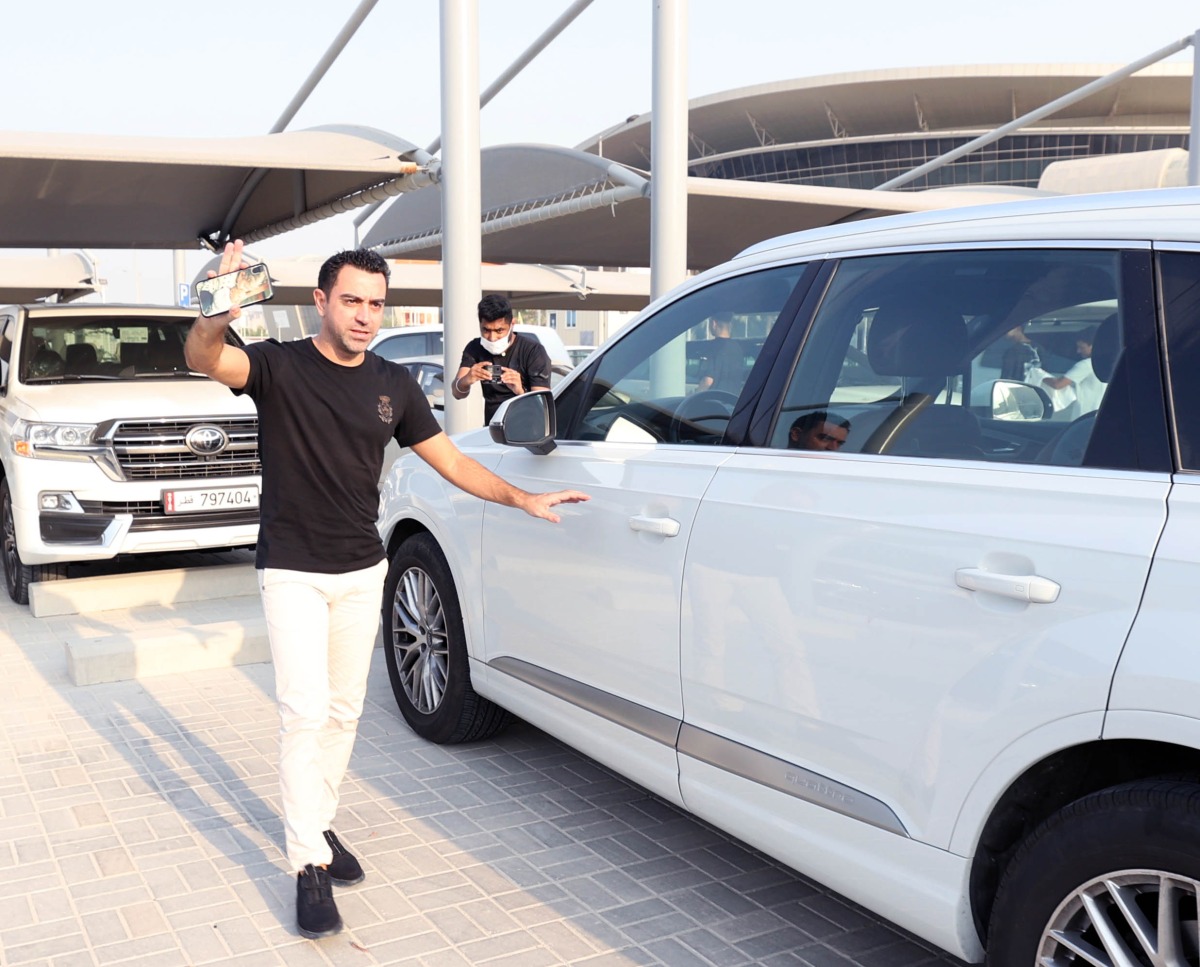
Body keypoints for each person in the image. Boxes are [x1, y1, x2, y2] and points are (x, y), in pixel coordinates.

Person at [184, 242, 589, 942]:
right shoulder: (278, 366)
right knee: (303, 712)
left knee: (343, 712)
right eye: (352, 300)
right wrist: (217, 308)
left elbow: (450, 460)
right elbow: (205, 357)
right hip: (292, 568)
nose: (366, 315)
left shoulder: (395, 384)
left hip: (361, 568)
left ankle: (318, 819)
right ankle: (308, 862)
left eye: (376, 302)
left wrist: (521, 497)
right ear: (321, 300)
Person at [452, 293, 551, 423]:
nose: (492, 338)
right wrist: (467, 380)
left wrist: (520, 390)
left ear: (512, 325)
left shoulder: (533, 351)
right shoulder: (474, 348)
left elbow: (542, 407)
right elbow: (457, 392)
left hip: (527, 430)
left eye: (499, 331)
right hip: (492, 429)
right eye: (486, 330)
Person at [1042, 326, 1103, 414]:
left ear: (1093, 346)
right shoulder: (1108, 364)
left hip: (1084, 415)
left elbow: (1058, 384)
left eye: (1082, 347)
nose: (1078, 351)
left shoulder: (1086, 365)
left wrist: (1040, 376)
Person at [696, 314, 745, 394]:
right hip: (732, 401)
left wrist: (693, 398)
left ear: (714, 323)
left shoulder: (713, 348)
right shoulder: (738, 348)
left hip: (714, 401)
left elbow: (707, 380)